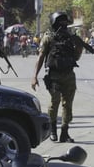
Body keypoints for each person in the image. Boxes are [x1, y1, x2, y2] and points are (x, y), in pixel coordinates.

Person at [31, 11, 83, 143]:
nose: (64, 24)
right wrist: (34, 76)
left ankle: (64, 132)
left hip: (69, 74)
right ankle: (53, 130)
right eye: (62, 22)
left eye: (65, 22)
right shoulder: (49, 37)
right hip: (54, 75)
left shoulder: (70, 38)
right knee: (55, 103)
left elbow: (76, 56)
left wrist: (78, 47)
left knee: (67, 104)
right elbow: (41, 57)